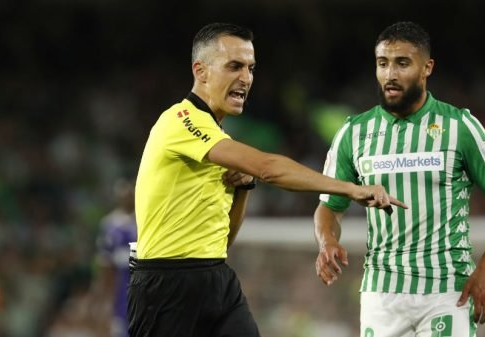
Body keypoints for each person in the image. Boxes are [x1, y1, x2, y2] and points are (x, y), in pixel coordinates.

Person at [127, 22, 406, 337]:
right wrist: (351, 189)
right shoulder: (179, 122)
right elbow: (269, 167)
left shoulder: (217, 141)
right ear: (201, 71)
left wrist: (243, 189)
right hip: (166, 285)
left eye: (250, 68)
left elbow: (223, 243)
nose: (245, 78)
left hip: (215, 277)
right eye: (234, 66)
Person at [314, 21, 485, 337]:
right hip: (381, 294)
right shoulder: (353, 133)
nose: (390, 74)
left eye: (402, 63)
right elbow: (329, 206)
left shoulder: (460, 126)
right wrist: (327, 240)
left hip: (447, 290)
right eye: (382, 64)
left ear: (427, 68)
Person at [91, 178, 137, 337]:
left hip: (141, 275)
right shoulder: (109, 223)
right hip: (120, 279)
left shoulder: (143, 218)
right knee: (120, 323)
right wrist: (104, 292)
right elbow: (105, 260)